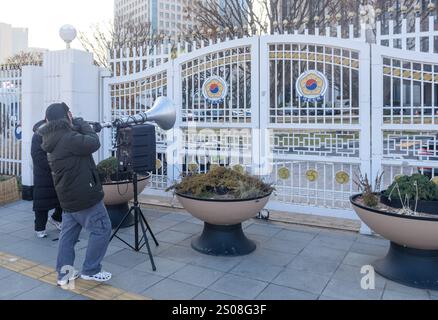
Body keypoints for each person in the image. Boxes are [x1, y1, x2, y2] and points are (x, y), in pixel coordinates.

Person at [39, 102, 112, 286]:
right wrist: (83, 123)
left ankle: (64, 275)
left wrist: (78, 126)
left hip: (67, 196)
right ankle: (91, 270)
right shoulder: (68, 138)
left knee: (68, 237)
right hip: (84, 196)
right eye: (71, 114)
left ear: (48, 121)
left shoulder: (51, 139)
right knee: (102, 229)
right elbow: (94, 142)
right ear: (68, 117)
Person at [31, 120, 63, 238]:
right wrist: (53, 165)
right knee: (42, 202)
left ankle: (56, 218)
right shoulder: (38, 135)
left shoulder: (59, 131)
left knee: (63, 199)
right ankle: (40, 227)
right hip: (43, 174)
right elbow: (37, 156)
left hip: (59, 171)